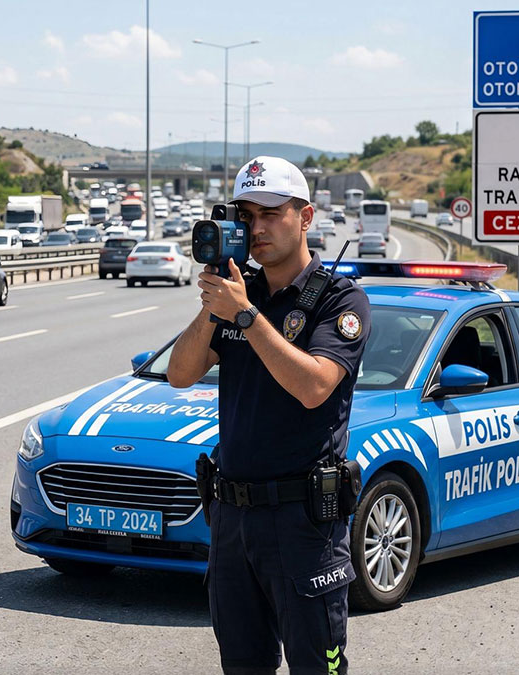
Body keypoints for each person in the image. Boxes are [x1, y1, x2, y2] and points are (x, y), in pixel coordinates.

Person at [167, 156, 371, 675]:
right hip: (232, 518)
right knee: (242, 666)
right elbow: (180, 373)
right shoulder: (241, 293)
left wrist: (246, 316)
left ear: (305, 217)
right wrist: (214, 303)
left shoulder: (339, 298)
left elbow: (314, 386)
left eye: (271, 213)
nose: (256, 228)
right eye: (247, 215)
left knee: (317, 667)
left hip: (301, 522)